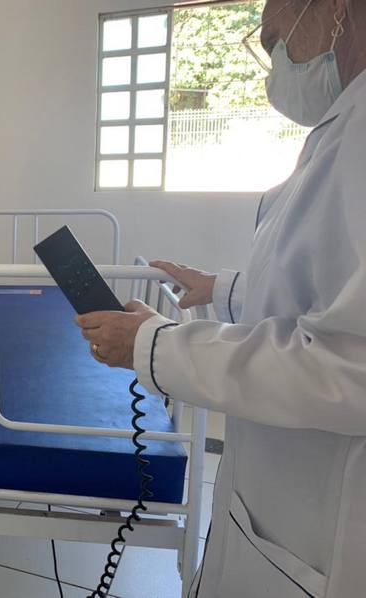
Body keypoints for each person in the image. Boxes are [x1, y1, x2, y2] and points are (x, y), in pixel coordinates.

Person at [75, 0, 366, 595]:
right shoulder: (345, 125)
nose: (274, 60)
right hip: (287, 486)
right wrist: (222, 288)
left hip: (327, 520)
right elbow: (326, 291)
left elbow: (348, 363)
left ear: (334, 10)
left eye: (275, 37)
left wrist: (153, 345)